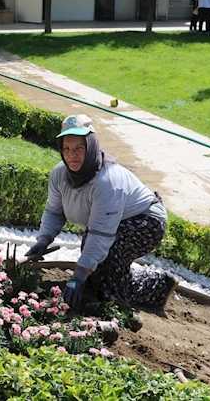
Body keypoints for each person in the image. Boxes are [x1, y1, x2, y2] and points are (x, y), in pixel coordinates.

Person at [26, 114, 178, 312]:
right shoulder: (60, 174)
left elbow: (100, 234)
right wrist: (43, 239)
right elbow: (54, 211)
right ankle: (146, 280)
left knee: (108, 279)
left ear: (91, 146)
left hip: (147, 222)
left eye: (79, 148)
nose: (72, 154)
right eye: (67, 148)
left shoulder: (107, 181)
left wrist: (78, 277)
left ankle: (154, 288)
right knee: (98, 271)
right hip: (113, 224)